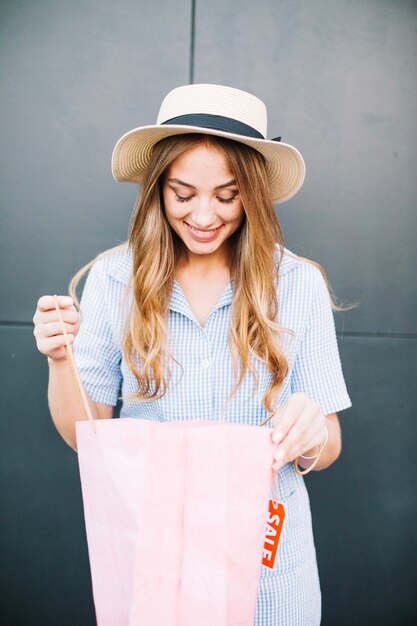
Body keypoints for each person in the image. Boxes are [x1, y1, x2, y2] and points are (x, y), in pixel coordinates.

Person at [33, 84, 352, 625]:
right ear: (157, 189)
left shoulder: (297, 283)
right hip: (155, 565)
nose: (204, 216)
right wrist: (59, 359)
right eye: (183, 193)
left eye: (226, 195)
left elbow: (327, 448)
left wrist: (311, 434)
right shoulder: (115, 278)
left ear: (252, 193)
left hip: (268, 575)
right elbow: (86, 434)